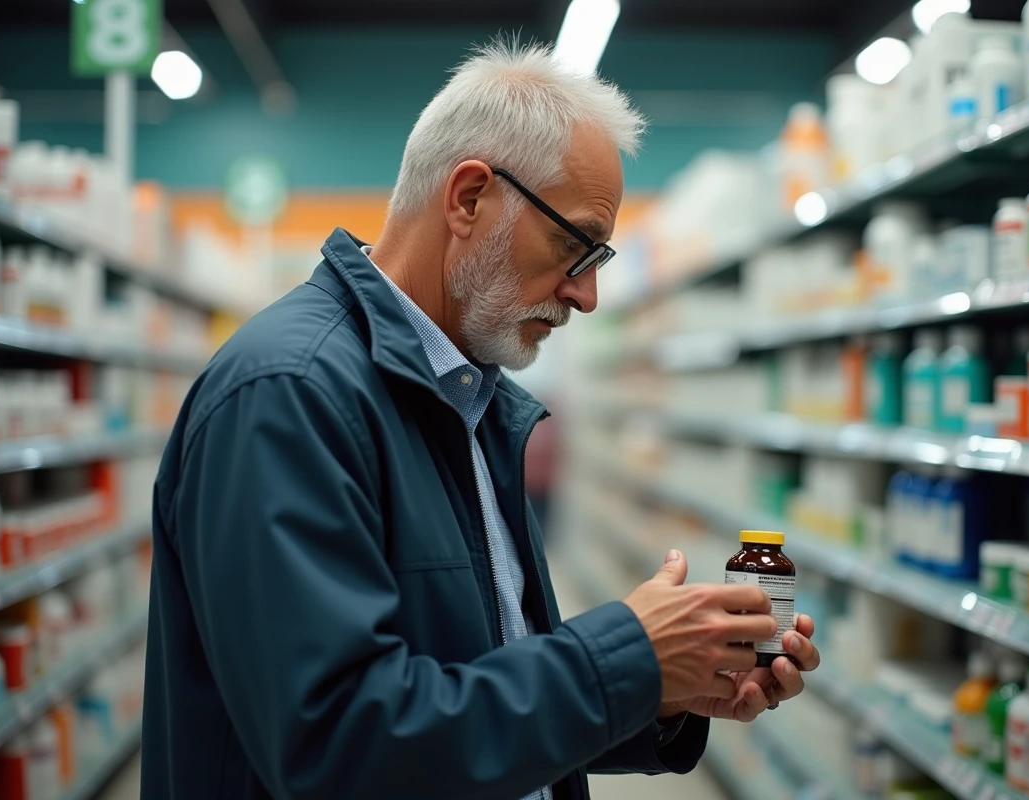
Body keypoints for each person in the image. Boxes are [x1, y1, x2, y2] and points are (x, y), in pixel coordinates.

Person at [141, 40, 821, 800]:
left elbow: (472, 692)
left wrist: (658, 695)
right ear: (468, 198)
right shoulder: (287, 395)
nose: (586, 296)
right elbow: (338, 749)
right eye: (576, 247)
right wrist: (625, 655)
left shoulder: (468, 400)